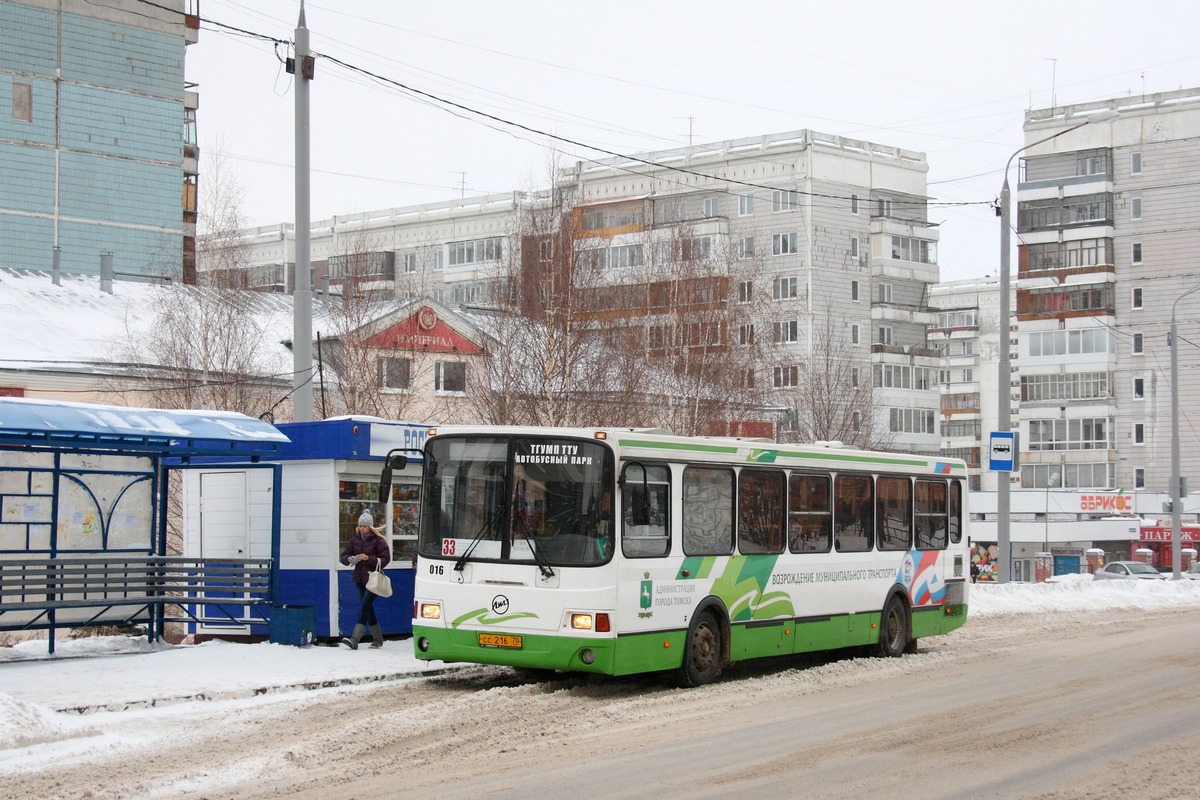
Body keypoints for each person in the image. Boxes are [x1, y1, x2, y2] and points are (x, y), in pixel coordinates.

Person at [339, 510, 391, 649]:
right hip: (359, 579)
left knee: (363, 607)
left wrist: (368, 558)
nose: (362, 528)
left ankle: (355, 640)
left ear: (370, 527)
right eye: (360, 525)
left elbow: (386, 559)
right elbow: (344, 556)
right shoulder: (354, 540)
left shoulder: (379, 541)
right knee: (368, 608)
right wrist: (350, 559)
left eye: (365, 526)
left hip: (373, 580)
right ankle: (378, 639)